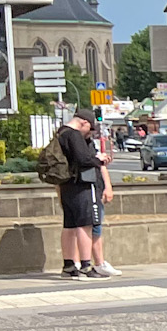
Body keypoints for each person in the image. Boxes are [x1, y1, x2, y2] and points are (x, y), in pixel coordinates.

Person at [52, 108, 116, 279]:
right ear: (84, 123)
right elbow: (83, 159)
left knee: (69, 225)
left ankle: (68, 265)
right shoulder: (73, 135)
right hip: (82, 184)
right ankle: (86, 266)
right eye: (89, 128)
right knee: (85, 224)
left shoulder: (61, 133)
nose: (89, 132)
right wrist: (99, 159)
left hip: (67, 185)